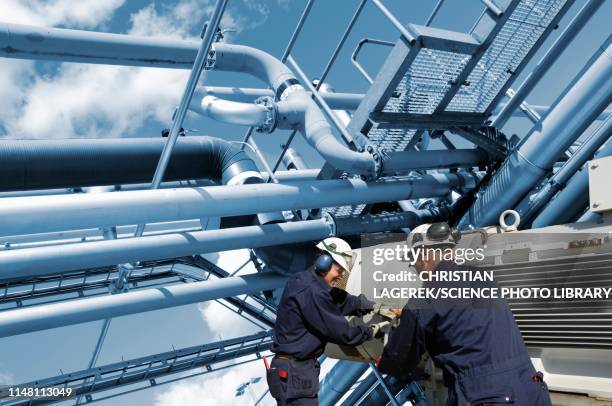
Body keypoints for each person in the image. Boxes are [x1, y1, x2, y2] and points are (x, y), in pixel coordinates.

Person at [378, 223, 552, 406]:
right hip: (529, 389)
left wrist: (383, 361)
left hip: (485, 396)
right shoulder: (484, 278)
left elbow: (400, 360)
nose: (416, 270)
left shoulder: (424, 300)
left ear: (423, 255)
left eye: (413, 262)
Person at [267, 237, 387, 405]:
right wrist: (372, 330)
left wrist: (371, 306)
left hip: (295, 371)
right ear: (325, 262)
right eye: (339, 270)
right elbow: (342, 333)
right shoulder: (311, 291)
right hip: (295, 373)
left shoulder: (308, 282)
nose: (342, 276)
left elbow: (340, 299)